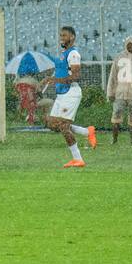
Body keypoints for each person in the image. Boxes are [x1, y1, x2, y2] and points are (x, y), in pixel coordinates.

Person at [40, 26, 98, 168]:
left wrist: (55, 81)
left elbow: (76, 75)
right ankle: (87, 131)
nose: (61, 38)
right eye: (61, 35)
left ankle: (78, 159)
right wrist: (49, 78)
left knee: (63, 126)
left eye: (64, 35)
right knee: (51, 123)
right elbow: (61, 71)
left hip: (71, 93)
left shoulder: (73, 54)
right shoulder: (64, 53)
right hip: (62, 94)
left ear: (72, 37)